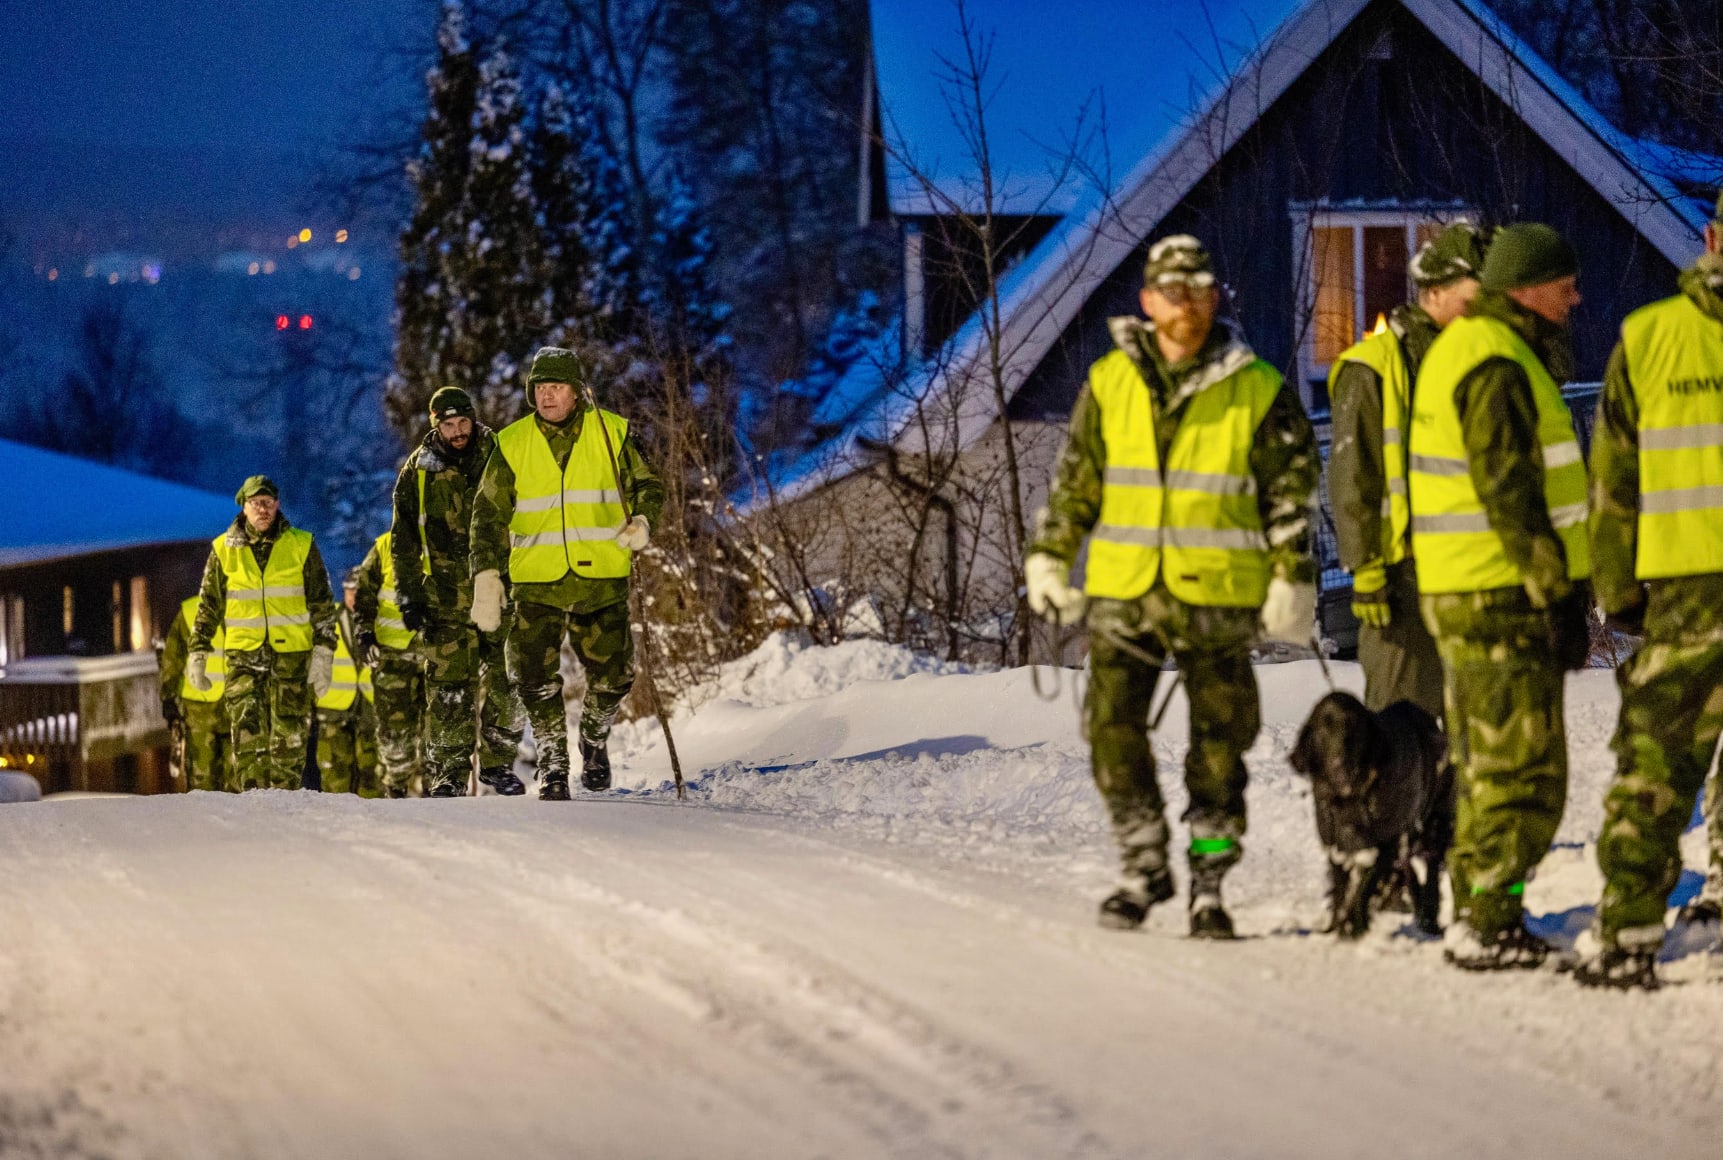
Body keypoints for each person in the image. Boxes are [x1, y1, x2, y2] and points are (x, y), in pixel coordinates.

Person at [1025, 235, 1320, 937]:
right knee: (1108, 730)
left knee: (1219, 744)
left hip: (1218, 594)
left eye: (1198, 290)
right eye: (1172, 292)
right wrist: (1048, 558)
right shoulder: (1108, 384)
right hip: (1125, 592)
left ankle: (1209, 882)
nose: (1185, 305)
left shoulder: (1256, 388)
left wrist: (1293, 577)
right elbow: (1075, 486)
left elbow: (1291, 495)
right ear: (1148, 301)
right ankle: (1143, 863)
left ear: (1214, 298)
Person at [1407, 223, 1592, 971]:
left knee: (1492, 759)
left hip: (1474, 588)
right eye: (1563, 283)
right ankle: (1487, 920)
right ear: (1523, 289)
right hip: (1499, 594)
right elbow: (1508, 489)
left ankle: (1482, 911)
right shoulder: (1493, 359)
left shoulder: (1481, 348)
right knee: (1519, 766)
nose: (1575, 296)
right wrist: (1556, 596)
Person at [1577, 193, 1723, 989]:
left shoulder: (1649, 339)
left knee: (1655, 763)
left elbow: (1613, 486)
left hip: (1679, 597)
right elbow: (1615, 483)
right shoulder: (1649, 336)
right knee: (1658, 764)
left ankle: (1629, 930)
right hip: (1681, 595)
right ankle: (1633, 921)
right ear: (1708, 239)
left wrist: (1618, 596)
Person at [469, 346, 664, 800]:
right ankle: (554, 761)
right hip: (536, 581)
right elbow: (487, 515)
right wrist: (487, 575)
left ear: (577, 391)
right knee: (533, 679)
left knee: (615, 676)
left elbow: (647, 485)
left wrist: (644, 521)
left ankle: (593, 740)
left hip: (600, 579)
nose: (547, 396)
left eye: (556, 387)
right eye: (539, 388)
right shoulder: (511, 442)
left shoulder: (611, 432)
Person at [1328, 223, 1487, 717]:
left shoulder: (1484, 358)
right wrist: (1367, 568)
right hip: (1403, 580)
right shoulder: (1375, 366)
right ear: (1433, 293)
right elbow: (1353, 474)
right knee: (1404, 731)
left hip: (1470, 570)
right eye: (1473, 301)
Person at [391, 386, 526, 797]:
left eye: (462, 422)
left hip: (499, 589)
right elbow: (404, 540)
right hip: (445, 597)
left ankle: (499, 764)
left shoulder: (500, 455)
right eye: (448, 425)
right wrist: (410, 595)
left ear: (473, 418)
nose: (457, 431)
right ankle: (449, 771)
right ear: (436, 426)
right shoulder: (418, 471)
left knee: (511, 677)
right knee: (448, 689)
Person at [188, 476, 339, 791]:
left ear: (278, 505)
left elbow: (322, 603)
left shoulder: (301, 544)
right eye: (256, 503)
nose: (263, 509)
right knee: (247, 737)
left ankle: (286, 807)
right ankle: (254, 806)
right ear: (244, 507)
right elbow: (209, 605)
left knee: (290, 739)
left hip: (292, 658)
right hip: (244, 657)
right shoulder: (223, 551)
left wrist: (324, 653)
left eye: (268, 502)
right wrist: (198, 652)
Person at [353, 530, 426, 797]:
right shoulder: (384, 546)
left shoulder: (449, 537)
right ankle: (396, 786)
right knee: (394, 727)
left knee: (440, 723)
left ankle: (439, 789)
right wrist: (364, 633)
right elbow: (364, 591)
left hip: (437, 650)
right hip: (393, 653)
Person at [159, 593, 234, 792]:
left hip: (232, 712)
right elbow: (172, 658)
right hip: (200, 713)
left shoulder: (249, 608)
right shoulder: (190, 612)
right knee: (204, 787)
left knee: (236, 787)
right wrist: (168, 698)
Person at [313, 572, 378, 795]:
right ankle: (335, 826)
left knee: (372, 775)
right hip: (334, 709)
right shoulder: (328, 620)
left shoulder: (381, 623)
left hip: (370, 708)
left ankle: (375, 827)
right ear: (344, 592)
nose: (355, 598)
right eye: (351, 592)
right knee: (335, 778)